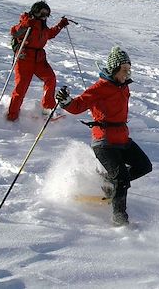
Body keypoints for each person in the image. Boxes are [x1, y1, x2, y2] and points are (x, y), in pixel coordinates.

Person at [55, 46, 152, 226]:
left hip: (123, 139)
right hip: (104, 142)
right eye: (124, 69)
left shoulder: (123, 86)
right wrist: (66, 102)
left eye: (128, 69)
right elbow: (78, 106)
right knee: (122, 178)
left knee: (144, 166)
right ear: (114, 69)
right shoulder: (100, 87)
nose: (127, 73)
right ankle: (119, 221)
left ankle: (108, 182)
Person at [7, 0, 69, 121]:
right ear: (35, 12)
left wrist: (60, 25)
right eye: (42, 13)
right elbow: (14, 32)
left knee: (50, 78)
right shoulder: (28, 22)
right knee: (21, 88)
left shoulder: (42, 26)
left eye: (46, 14)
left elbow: (49, 34)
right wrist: (25, 23)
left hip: (39, 58)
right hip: (25, 57)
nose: (44, 16)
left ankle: (47, 109)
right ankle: (12, 116)